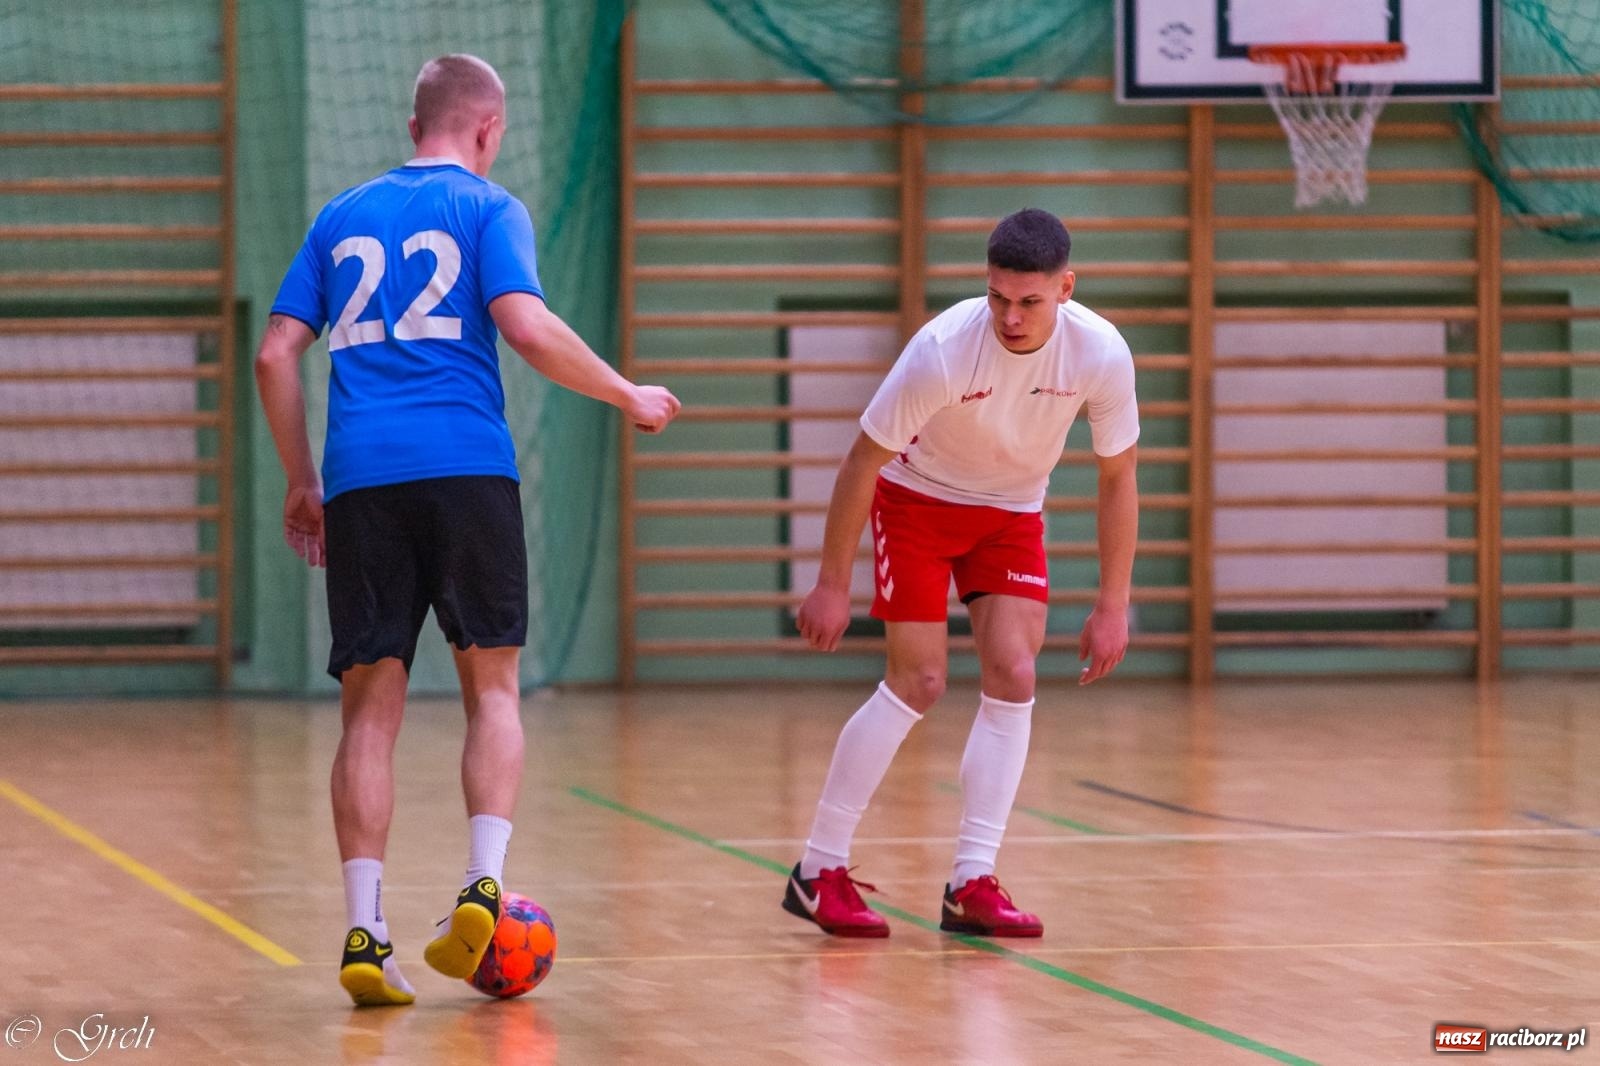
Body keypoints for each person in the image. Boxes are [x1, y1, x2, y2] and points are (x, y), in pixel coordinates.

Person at [254, 54, 680, 1005]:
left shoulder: (339, 216)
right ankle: (482, 883)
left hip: (364, 481)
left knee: (369, 711)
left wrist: (301, 479)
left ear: (415, 126)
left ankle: (366, 934)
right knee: (493, 690)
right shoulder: (490, 209)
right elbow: (524, 328)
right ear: (489, 130)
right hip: (468, 470)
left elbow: (275, 352)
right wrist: (625, 392)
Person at [785, 208, 1138, 938]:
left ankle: (971, 882)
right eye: (999, 298)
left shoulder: (1100, 354)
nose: (1011, 317)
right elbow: (862, 461)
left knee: (1014, 673)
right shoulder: (943, 351)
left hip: (1010, 514)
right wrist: (830, 581)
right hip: (917, 502)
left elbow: (1118, 477)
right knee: (920, 681)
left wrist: (1114, 602)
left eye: (1030, 301)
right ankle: (819, 870)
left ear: (1066, 288)